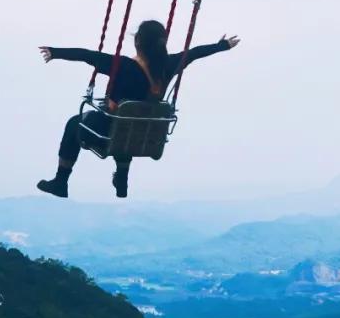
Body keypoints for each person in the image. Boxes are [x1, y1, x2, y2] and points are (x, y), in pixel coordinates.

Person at [36, 19, 240, 199]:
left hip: (109, 135)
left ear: (138, 42)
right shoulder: (169, 65)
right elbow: (194, 53)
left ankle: (61, 181)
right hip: (145, 138)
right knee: (129, 125)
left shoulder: (121, 65)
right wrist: (221, 46)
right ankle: (122, 177)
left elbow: (87, 55)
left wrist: (55, 52)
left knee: (75, 123)